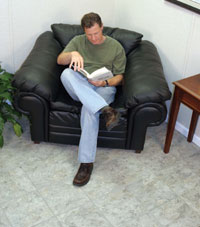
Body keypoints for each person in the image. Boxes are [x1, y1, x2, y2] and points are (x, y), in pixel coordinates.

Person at [57, 12, 126, 186]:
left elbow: (120, 77)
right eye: (90, 35)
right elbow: (60, 60)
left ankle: (86, 163)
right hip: (81, 85)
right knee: (66, 73)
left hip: (104, 86)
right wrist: (72, 54)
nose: (93, 38)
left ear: (102, 27)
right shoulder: (78, 41)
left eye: (96, 33)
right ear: (84, 31)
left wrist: (103, 82)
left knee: (89, 110)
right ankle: (106, 110)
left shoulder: (115, 46)